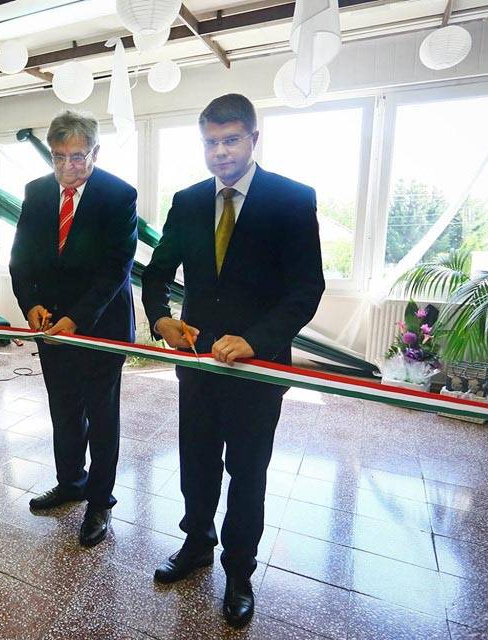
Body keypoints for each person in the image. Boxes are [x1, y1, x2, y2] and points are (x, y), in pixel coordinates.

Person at [141, 94, 325, 629]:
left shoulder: (291, 200)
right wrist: (161, 319)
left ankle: (239, 571)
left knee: (246, 472)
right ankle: (197, 543)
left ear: (253, 139)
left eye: (230, 140)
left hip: (257, 371)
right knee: (196, 463)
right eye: (210, 142)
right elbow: (156, 274)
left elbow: (306, 289)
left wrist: (255, 340)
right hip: (197, 363)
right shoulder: (188, 201)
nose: (220, 152)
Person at [9, 110, 137, 547]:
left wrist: (77, 318)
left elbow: (116, 269)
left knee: (101, 416)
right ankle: (70, 483)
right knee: (63, 409)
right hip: (51, 326)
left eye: (78, 157)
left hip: (101, 326)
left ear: (95, 152)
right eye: (59, 157)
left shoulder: (119, 195)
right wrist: (30, 303)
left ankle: (99, 500)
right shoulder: (36, 191)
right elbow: (21, 257)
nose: (68, 166)